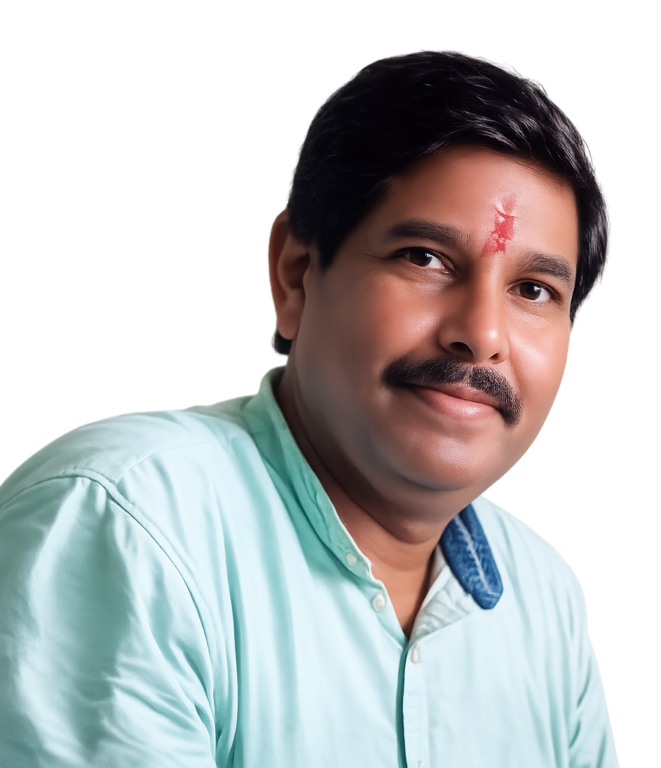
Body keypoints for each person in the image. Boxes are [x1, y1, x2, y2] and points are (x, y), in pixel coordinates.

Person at [0, 49, 619, 766]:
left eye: (534, 290)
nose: (481, 334)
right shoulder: (128, 524)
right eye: (423, 257)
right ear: (294, 274)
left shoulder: (541, 596)